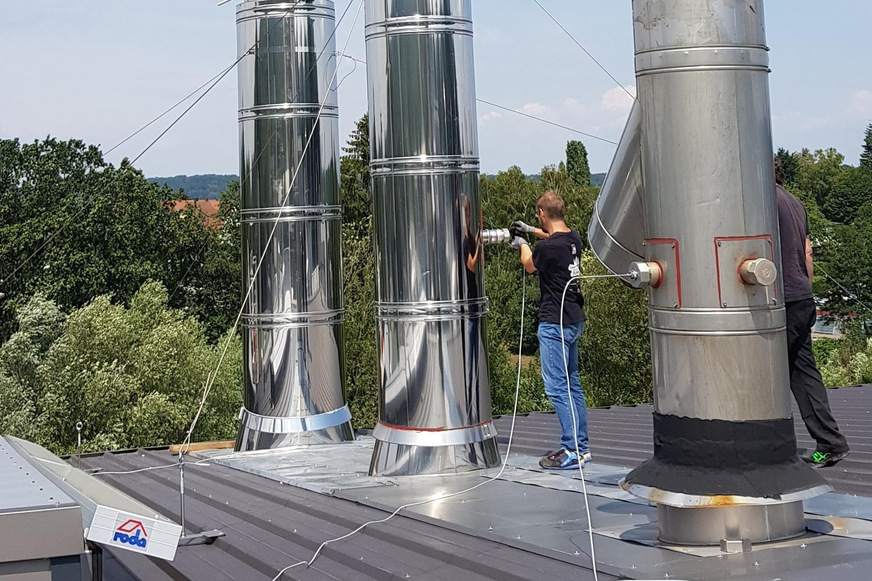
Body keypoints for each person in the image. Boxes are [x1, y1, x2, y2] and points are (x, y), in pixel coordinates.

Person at [775, 158, 850, 468]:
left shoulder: (761, 201)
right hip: (802, 297)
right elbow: (807, 251)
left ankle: (772, 448)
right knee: (804, 372)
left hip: (783, 301)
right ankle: (831, 443)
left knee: (770, 371)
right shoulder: (794, 201)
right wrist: (807, 289)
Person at [511, 191, 590, 470]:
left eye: (537, 216)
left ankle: (572, 449)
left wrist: (521, 242)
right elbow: (554, 238)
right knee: (573, 385)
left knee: (557, 388)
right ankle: (581, 446)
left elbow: (529, 265)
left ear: (543, 213)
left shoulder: (545, 249)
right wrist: (531, 230)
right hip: (573, 319)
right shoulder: (574, 239)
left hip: (553, 323)